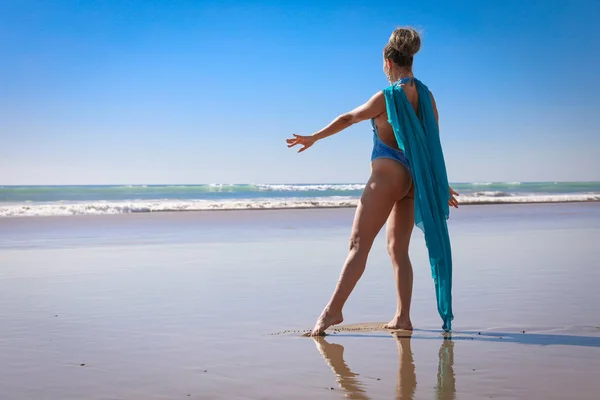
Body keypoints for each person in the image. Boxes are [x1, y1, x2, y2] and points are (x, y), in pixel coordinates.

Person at [286, 27, 459, 336]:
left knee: (358, 244)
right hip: (415, 181)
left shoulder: (387, 97)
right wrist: (441, 184)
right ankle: (402, 317)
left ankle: (333, 311)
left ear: (387, 60)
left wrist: (314, 137)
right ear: (410, 60)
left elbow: (349, 118)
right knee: (397, 249)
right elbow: (433, 143)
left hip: (388, 175)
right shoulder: (427, 95)